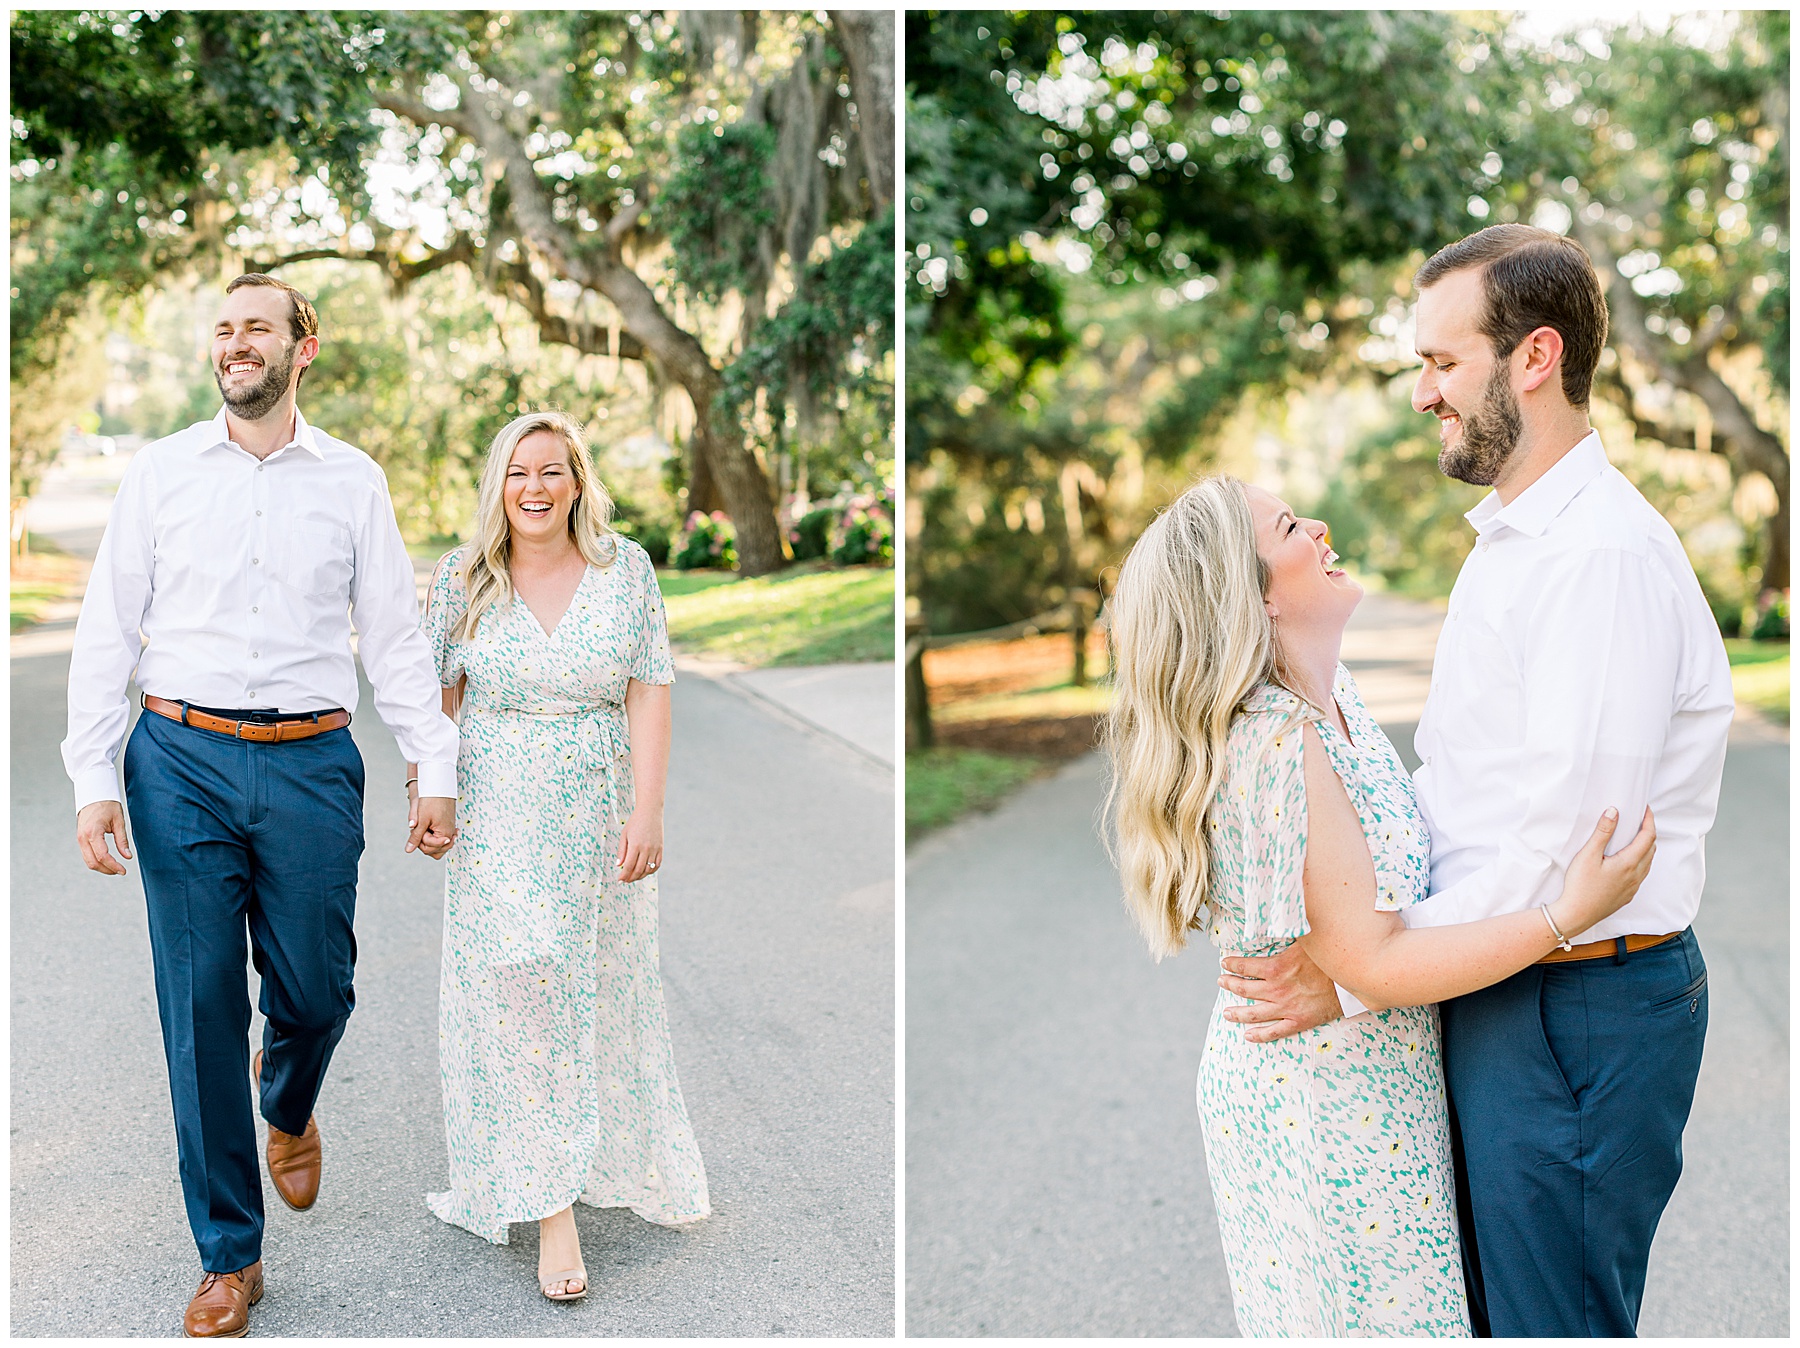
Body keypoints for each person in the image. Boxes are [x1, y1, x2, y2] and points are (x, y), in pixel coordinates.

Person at [1214, 225, 1735, 1336]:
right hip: (1510, 981)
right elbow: (1461, 802)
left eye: (1442, 363)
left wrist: (1355, 976)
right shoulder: (1516, 542)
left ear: (1534, 357)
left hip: (1575, 998)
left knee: (1553, 1324)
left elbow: (1564, 852)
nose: (1422, 394)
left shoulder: (1595, 556)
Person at [1103, 474, 1658, 1336]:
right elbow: (1378, 960)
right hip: (1326, 1109)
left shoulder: (1334, 699)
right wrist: (1564, 916)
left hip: (1376, 1087)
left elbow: (1393, 885)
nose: (1319, 525)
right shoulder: (1275, 739)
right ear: (1254, 600)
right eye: (1289, 526)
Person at [62, 273, 461, 1338]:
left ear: (304, 348)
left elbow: (393, 637)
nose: (237, 343)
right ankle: (228, 1256)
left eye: (258, 328)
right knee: (197, 1009)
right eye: (224, 329)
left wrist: (436, 763)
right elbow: (109, 627)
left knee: (319, 987)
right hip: (179, 757)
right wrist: (94, 776)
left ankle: (287, 1096)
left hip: (309, 762)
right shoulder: (159, 474)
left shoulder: (352, 481)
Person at [416, 410, 710, 1301]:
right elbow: (434, 699)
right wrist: (428, 792)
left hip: (596, 805)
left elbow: (649, 689)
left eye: (551, 472)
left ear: (578, 481)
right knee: (519, 990)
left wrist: (648, 812)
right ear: (496, 487)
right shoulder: (463, 577)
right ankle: (550, 1211)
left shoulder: (628, 573)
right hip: (496, 807)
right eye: (517, 473)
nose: (535, 490)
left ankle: (587, 1156)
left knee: (592, 988)